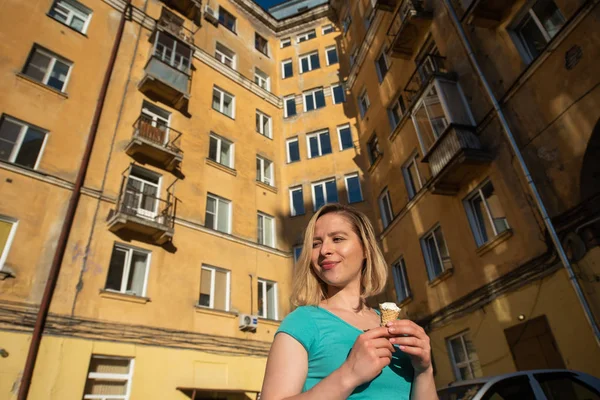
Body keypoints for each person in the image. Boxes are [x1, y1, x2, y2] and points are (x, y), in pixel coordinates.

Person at [261, 203, 437, 399]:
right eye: (316, 243)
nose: (324, 250)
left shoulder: (390, 326)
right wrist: (349, 374)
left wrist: (424, 370)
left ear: (365, 250)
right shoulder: (302, 322)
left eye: (337, 239)